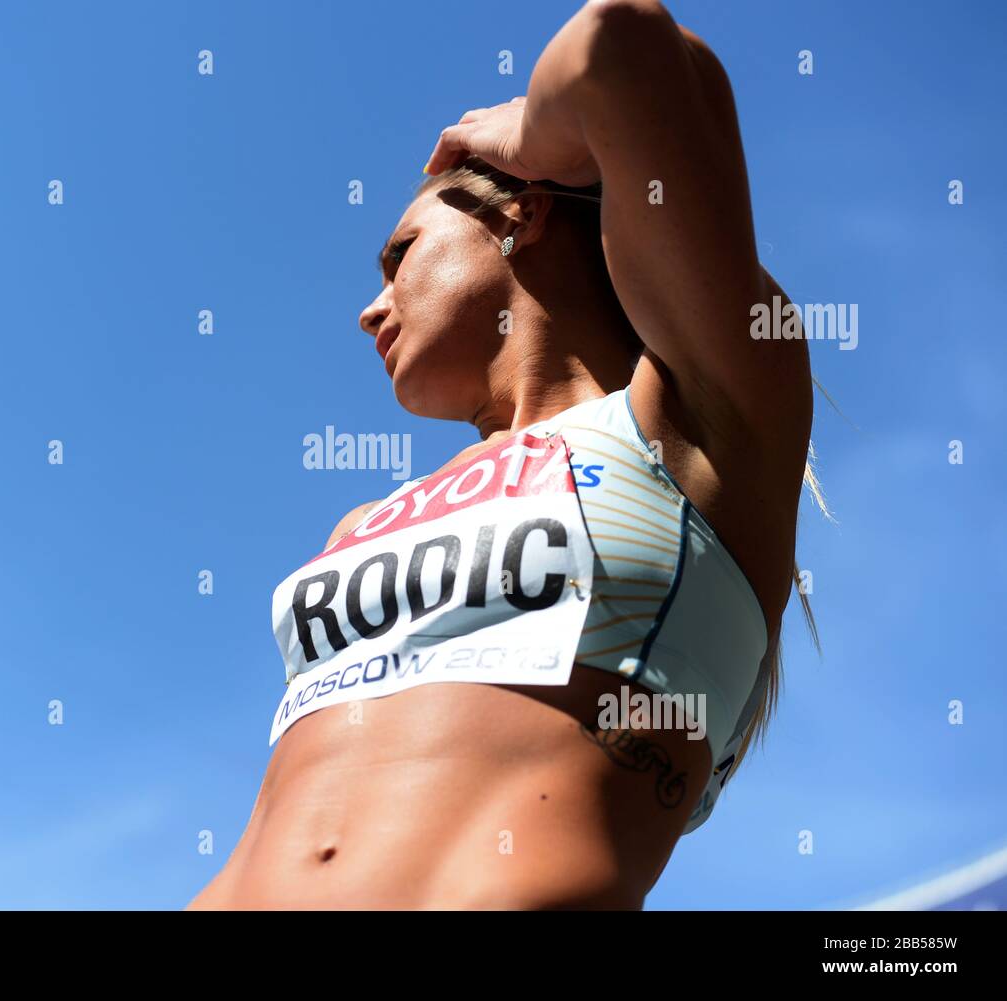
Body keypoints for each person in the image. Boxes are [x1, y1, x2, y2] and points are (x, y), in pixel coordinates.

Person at [189, 0, 821, 910]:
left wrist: (530, 127)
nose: (371, 308)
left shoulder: (690, 422)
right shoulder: (360, 523)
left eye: (399, 253)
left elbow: (624, 44)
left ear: (522, 211)